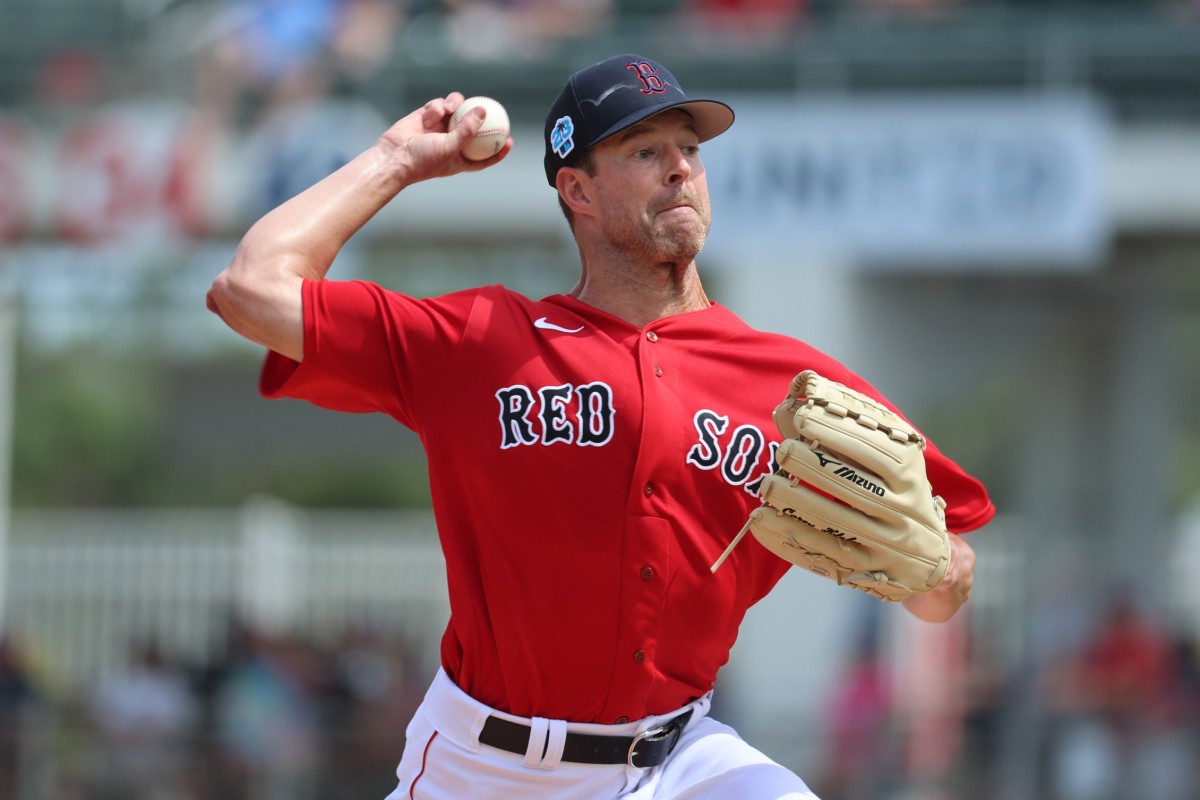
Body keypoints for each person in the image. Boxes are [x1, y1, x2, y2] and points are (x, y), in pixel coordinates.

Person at [207, 53, 994, 799]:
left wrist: (935, 572)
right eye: (644, 150)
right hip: (484, 767)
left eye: (689, 146)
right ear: (578, 192)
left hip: (681, 758)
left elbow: (946, 565)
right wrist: (397, 160)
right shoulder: (483, 341)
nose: (681, 166)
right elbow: (251, 288)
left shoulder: (791, 384)